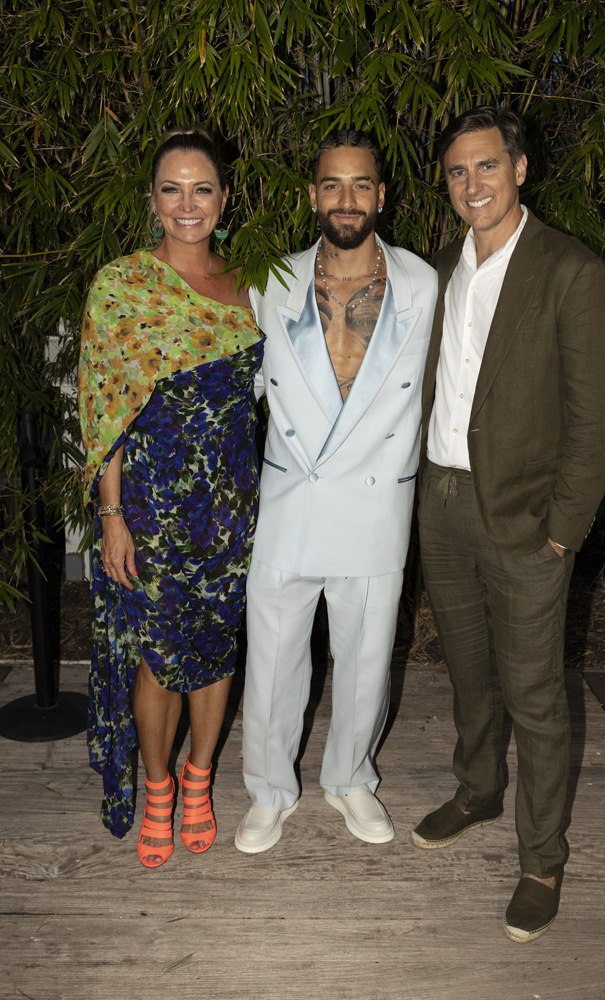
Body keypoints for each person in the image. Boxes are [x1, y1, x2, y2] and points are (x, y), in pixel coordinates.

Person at [413, 106, 605, 940]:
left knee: (534, 696)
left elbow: (597, 419)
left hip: (526, 518)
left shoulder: (571, 271)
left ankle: (541, 858)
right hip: (443, 503)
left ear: (520, 169)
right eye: (458, 171)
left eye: (487, 167)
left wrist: (561, 531)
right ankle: (477, 790)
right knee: (468, 670)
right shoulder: (440, 269)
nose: (472, 184)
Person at [235, 130, 438, 853]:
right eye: (331, 184)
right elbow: (242, 391)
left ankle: (350, 778)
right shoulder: (270, 281)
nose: (345, 199)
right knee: (272, 661)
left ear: (381, 196)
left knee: (362, 661)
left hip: (377, 503)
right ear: (311, 194)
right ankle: (268, 790)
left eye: (360, 185)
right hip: (290, 502)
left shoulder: (423, 284)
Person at [78, 128, 264, 867]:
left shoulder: (255, 280)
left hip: (231, 506)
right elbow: (104, 413)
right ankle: (157, 786)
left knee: (216, 652)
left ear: (224, 197)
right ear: (152, 199)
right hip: (150, 506)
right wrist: (112, 516)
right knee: (157, 656)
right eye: (171, 188)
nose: (187, 204)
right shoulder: (121, 285)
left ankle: (197, 780)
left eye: (202, 188)